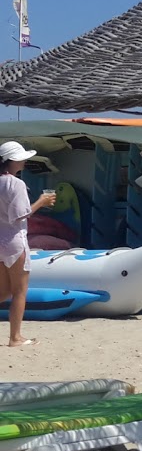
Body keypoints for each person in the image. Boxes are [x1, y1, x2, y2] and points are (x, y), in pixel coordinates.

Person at [0, 141, 55, 347]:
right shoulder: (16, 184)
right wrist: (41, 201)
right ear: (13, 161)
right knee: (19, 292)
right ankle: (15, 337)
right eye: (22, 158)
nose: (24, 162)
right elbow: (21, 215)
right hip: (14, 241)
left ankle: (15, 336)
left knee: (3, 292)